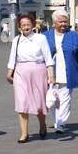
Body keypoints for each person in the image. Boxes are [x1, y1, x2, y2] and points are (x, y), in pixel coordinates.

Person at [43, 9, 78, 137]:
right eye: (60, 22)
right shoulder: (45, 36)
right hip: (49, 73)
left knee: (65, 98)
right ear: (54, 22)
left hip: (68, 72)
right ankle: (56, 120)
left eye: (65, 22)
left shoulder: (74, 35)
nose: (63, 24)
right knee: (51, 100)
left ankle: (61, 122)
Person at [7, 13, 53, 143]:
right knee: (21, 102)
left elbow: (48, 58)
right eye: (23, 25)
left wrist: (51, 75)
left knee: (39, 103)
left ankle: (42, 125)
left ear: (33, 25)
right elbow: (13, 58)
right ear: (19, 27)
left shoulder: (41, 38)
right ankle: (24, 133)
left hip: (38, 71)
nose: (26, 27)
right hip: (20, 72)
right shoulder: (16, 40)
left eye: (28, 24)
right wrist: (9, 72)